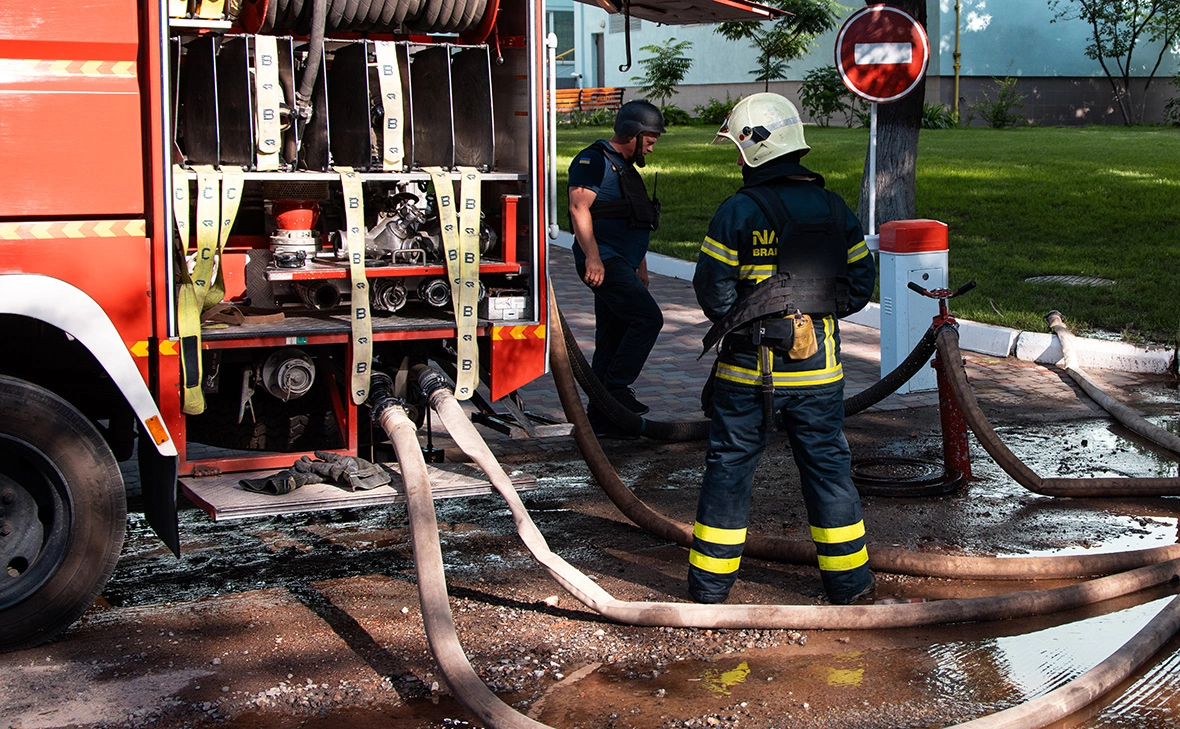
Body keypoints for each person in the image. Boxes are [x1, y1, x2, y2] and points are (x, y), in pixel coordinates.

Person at [688, 93, 877, 605]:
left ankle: (708, 592)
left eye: (737, 146)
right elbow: (859, 288)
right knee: (829, 474)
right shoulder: (835, 209)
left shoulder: (738, 212)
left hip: (747, 377)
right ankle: (851, 587)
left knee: (729, 472)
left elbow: (713, 295)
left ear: (753, 148)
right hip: (819, 377)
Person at [567, 99, 665, 438]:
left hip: (622, 261)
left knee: (611, 335)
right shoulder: (593, 161)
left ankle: (604, 415)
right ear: (632, 134)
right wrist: (592, 257)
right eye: (650, 140)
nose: (651, 148)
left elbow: (635, 221)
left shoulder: (625, 168)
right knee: (648, 319)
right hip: (604, 261)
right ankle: (616, 389)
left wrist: (642, 266)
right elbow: (579, 209)